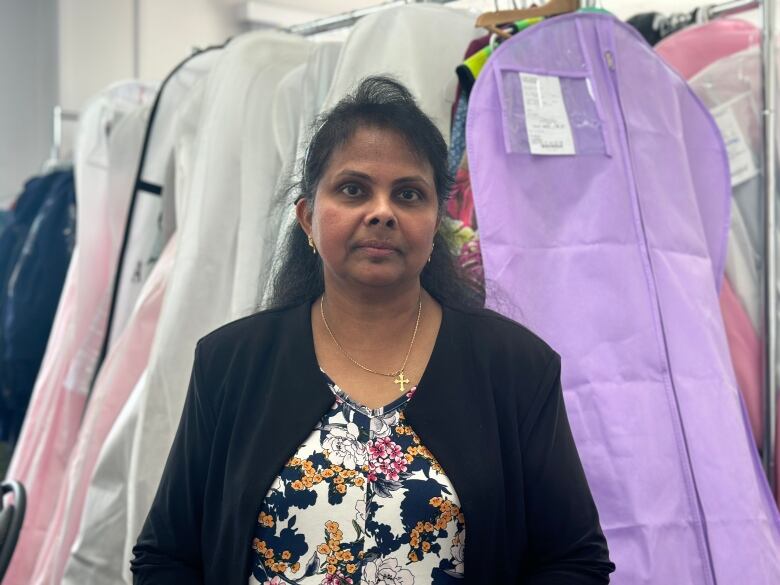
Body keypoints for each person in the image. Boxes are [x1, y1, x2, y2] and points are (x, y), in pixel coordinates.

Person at [131, 76, 615, 584]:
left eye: (408, 194)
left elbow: (574, 560)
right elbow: (165, 557)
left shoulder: (515, 368)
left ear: (435, 225)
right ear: (307, 217)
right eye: (353, 189)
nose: (381, 212)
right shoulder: (231, 363)